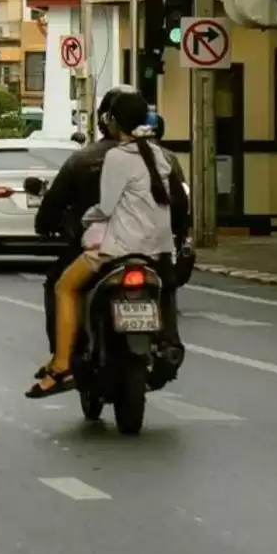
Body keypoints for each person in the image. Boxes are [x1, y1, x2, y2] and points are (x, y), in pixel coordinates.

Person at [27, 87, 177, 399]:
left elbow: (106, 207)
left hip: (119, 248)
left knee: (64, 287)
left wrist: (86, 221)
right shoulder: (162, 156)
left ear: (110, 121)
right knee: (167, 287)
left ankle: (61, 365)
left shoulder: (112, 157)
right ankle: (168, 342)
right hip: (159, 250)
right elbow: (177, 204)